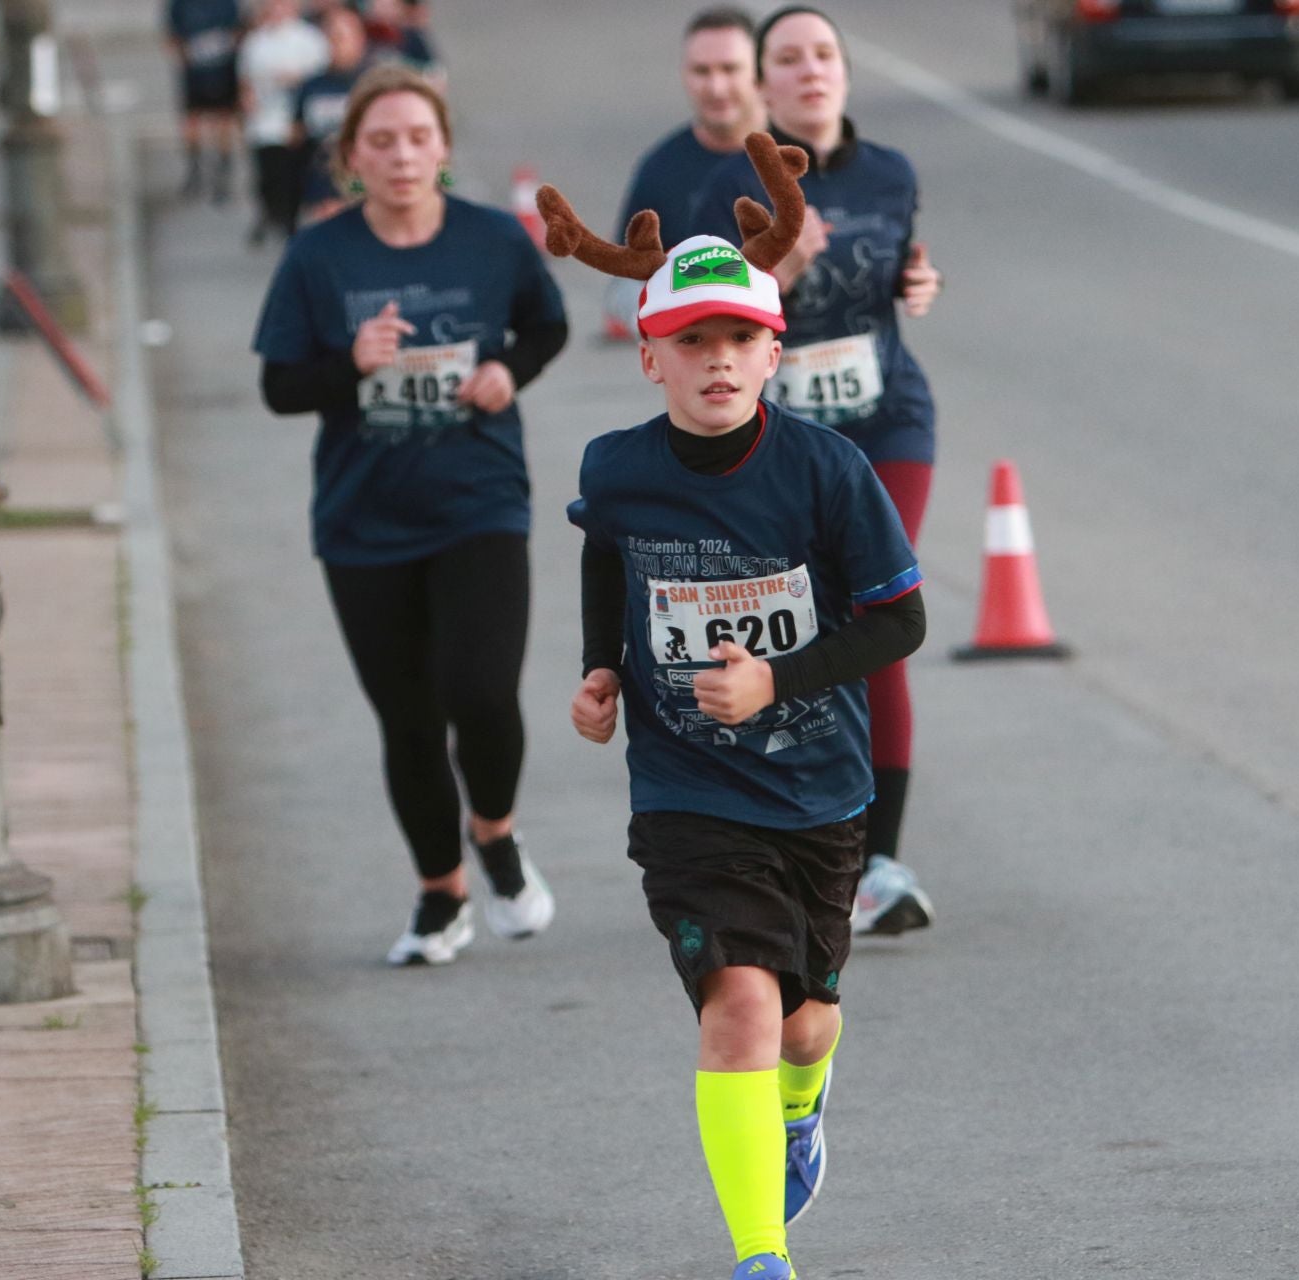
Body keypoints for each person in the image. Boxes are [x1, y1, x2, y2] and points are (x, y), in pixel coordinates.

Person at [542, 136, 925, 1280]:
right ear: (649, 357)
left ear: (773, 350)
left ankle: (803, 1104)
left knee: (805, 1024)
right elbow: (606, 556)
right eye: (690, 341)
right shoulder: (617, 466)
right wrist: (602, 664)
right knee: (741, 1008)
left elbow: (897, 624)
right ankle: (762, 1255)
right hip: (686, 790)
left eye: (738, 340)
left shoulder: (825, 472)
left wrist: (777, 675)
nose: (717, 361)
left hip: (818, 786)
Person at [251, 64, 568, 966]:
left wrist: (511, 369)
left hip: (480, 502)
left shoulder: (495, 240)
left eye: (418, 138)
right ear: (351, 157)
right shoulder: (320, 256)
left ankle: (496, 835)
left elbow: (544, 329)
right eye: (381, 141)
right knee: (409, 719)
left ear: (444, 150)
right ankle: (441, 894)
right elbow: (278, 387)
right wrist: (351, 362)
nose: (402, 155)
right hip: (365, 519)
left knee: (482, 691)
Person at [691, 5, 944, 936]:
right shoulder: (728, 183)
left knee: (878, 612)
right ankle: (794, 835)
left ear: (845, 71)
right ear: (763, 84)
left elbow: (901, 273)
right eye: (788, 59)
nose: (810, 71)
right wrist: (780, 278)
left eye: (824, 55)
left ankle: (880, 859)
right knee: (804, 622)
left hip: (886, 418)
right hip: (781, 437)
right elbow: (706, 325)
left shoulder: (890, 172)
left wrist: (923, 282)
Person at [599, 7, 765, 341]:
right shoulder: (660, 171)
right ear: (683, 75)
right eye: (702, 71)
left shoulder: (799, 156)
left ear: (760, 72)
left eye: (730, 69)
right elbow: (625, 284)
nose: (716, 87)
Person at [238, 0, 329, 244]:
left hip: (295, 119)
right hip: (265, 120)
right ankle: (269, 213)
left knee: (293, 175)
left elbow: (322, 77)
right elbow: (245, 79)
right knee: (269, 174)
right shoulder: (256, 41)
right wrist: (248, 101)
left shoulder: (309, 38)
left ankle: (289, 223)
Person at [290, 5, 369, 226]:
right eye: (331, 36)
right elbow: (297, 133)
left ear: (359, 38)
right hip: (322, 183)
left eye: (342, 36)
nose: (336, 43)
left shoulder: (374, 84)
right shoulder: (312, 85)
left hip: (363, 184)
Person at [165, 0, 244, 202]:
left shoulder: (227, 4)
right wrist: (187, 59)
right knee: (192, 120)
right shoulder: (181, 5)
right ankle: (195, 171)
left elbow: (238, 31)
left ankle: (222, 173)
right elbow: (172, 36)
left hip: (223, 70)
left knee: (224, 120)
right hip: (195, 74)